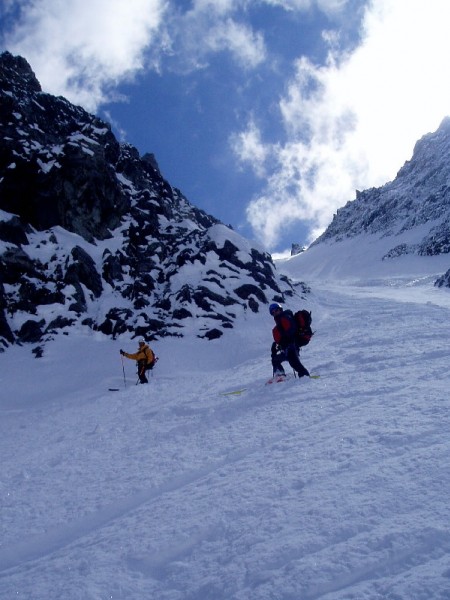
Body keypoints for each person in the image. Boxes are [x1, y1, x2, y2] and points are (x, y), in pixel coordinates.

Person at [269, 302, 310, 379]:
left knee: (294, 363)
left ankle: (305, 377)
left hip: (292, 346)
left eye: (276, 310)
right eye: (272, 312)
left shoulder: (285, 317)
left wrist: (286, 339)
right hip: (287, 348)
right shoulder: (280, 321)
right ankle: (279, 375)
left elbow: (291, 329)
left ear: (280, 310)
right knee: (275, 360)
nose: (275, 313)